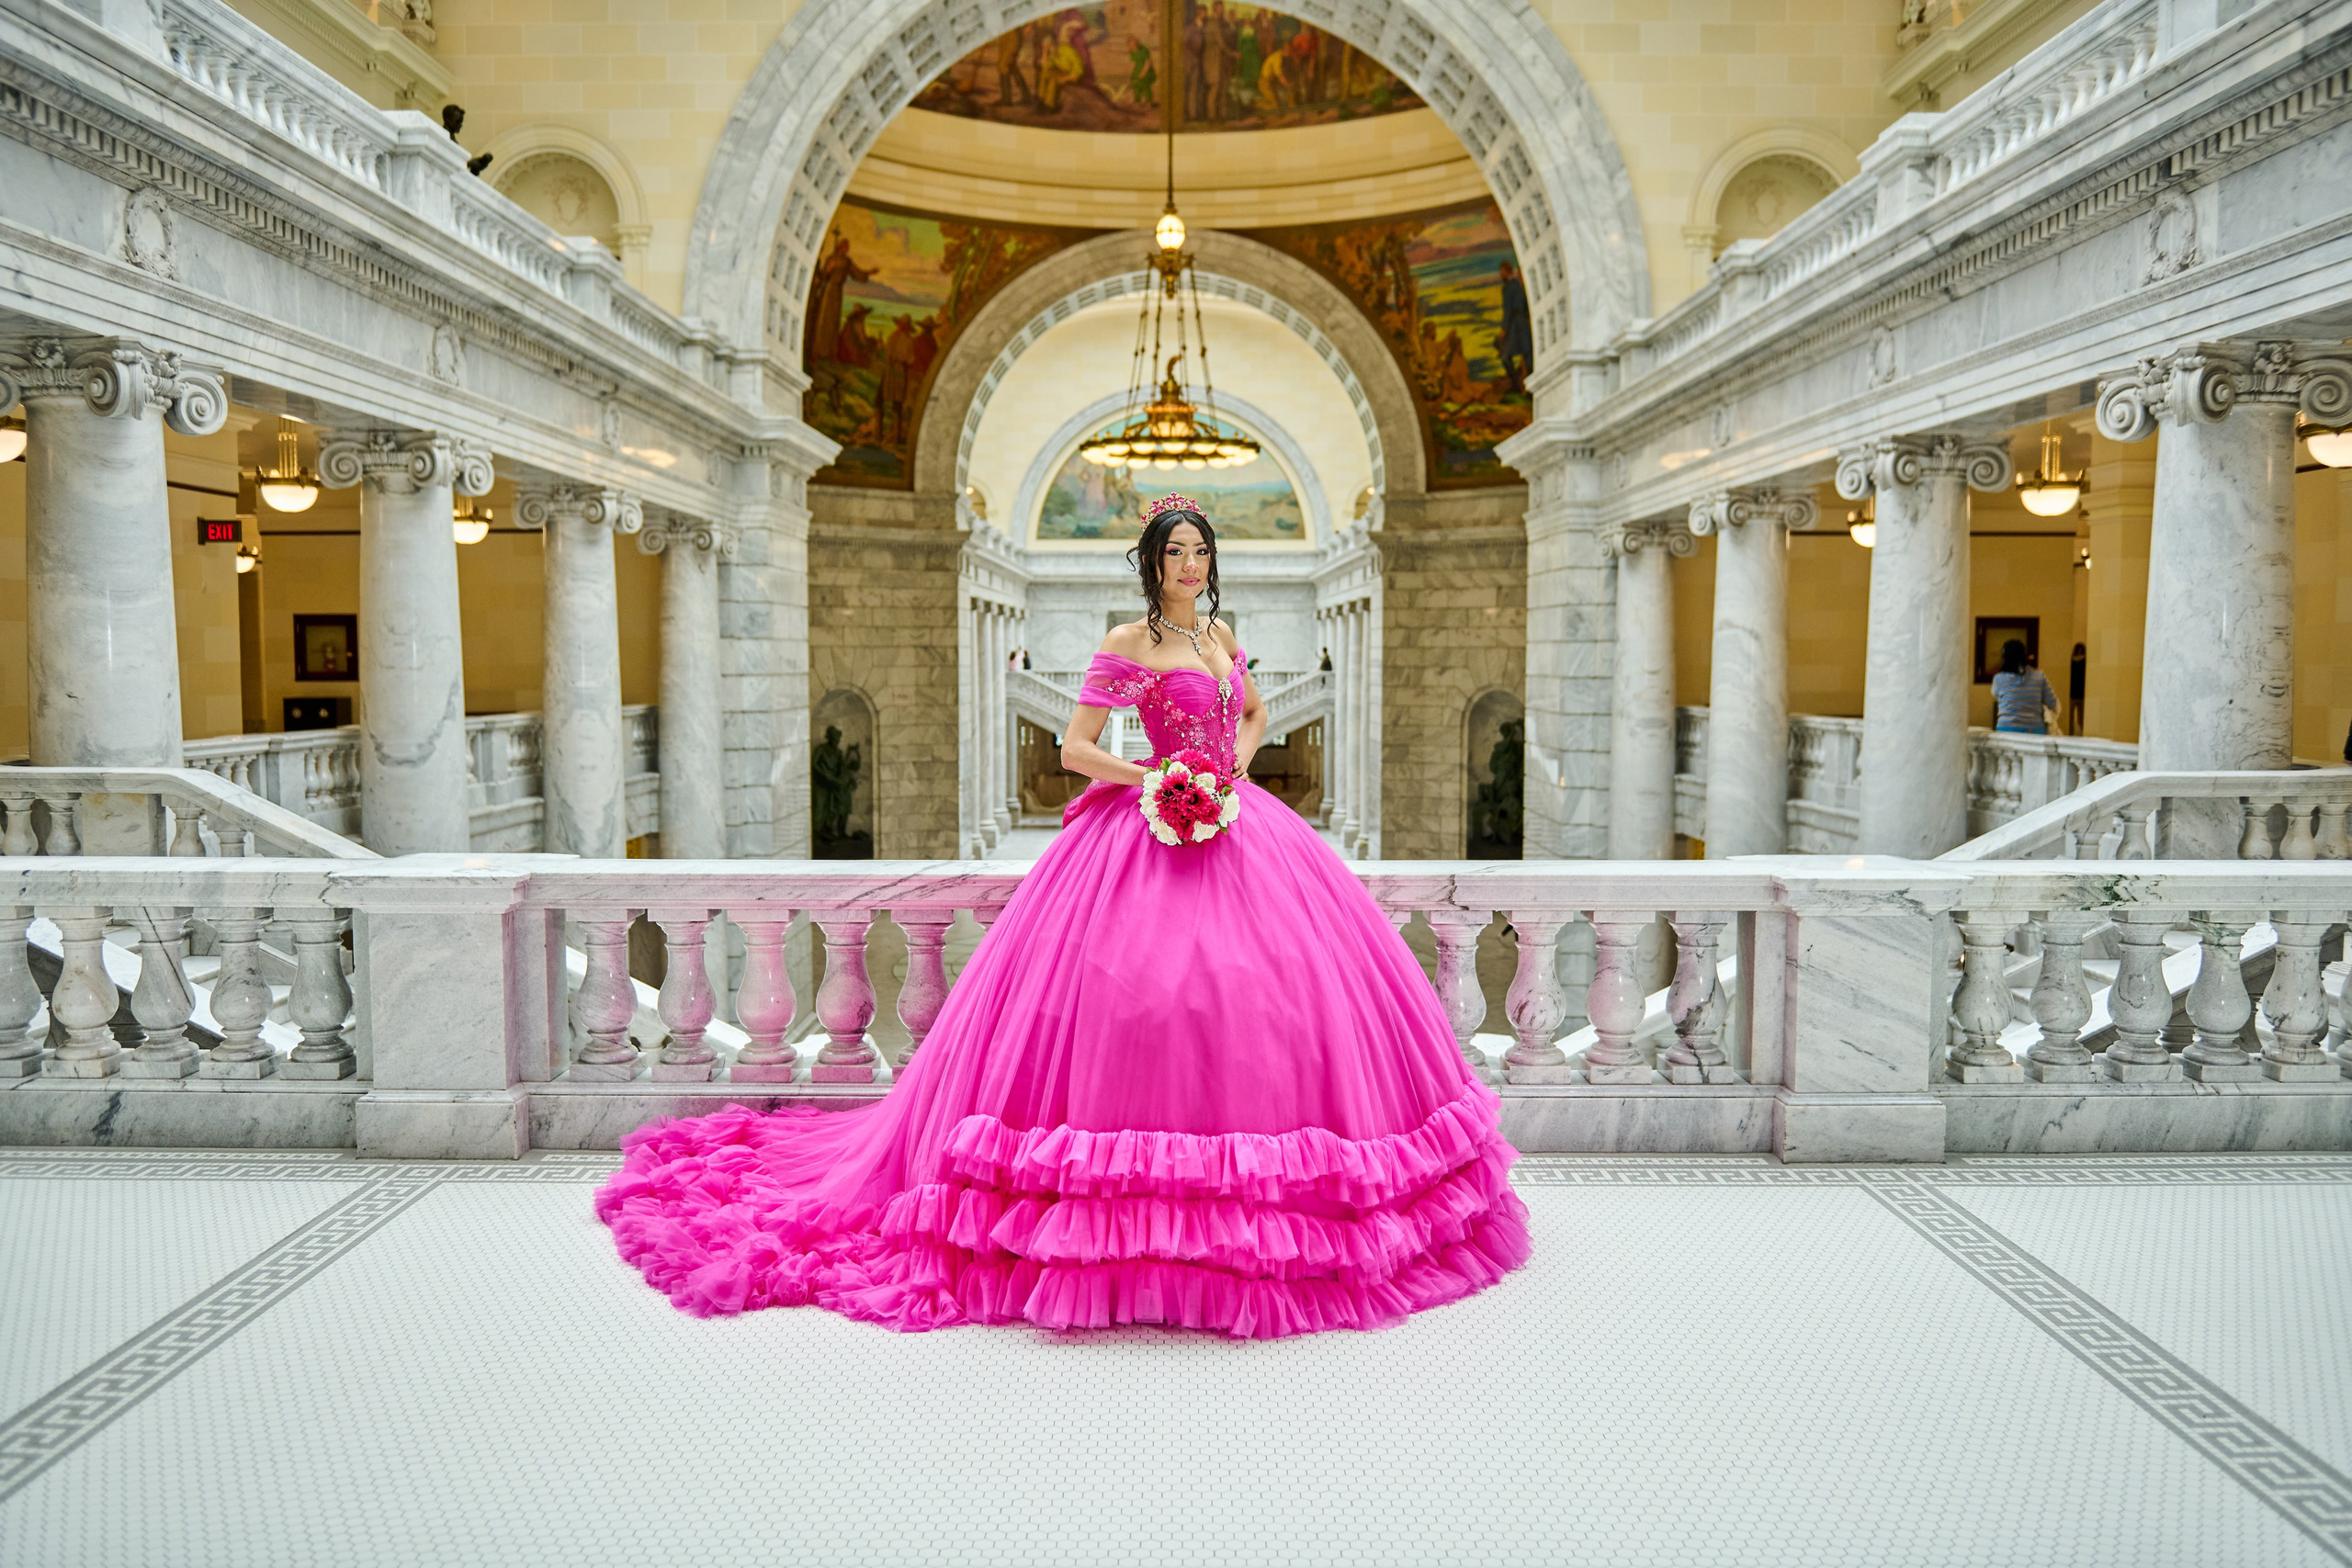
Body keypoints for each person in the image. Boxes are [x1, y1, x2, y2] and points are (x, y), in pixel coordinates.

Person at [598, 493, 1531, 1337]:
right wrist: (1157, 778)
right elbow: (1079, 750)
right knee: (1138, 998)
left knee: (1274, 993)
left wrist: (1232, 770)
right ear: (1150, 562)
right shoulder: (1129, 646)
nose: (1190, 566)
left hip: (1240, 831)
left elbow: (1253, 713)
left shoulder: (1220, 640)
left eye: (1201, 552)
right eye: (1175, 553)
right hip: (1144, 823)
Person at [1991, 639, 2058, 734]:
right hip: (2034, 729)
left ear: (2004, 657)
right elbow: (2052, 703)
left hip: (2006, 729)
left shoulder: (1999, 678)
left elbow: (1995, 694)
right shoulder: (2039, 676)